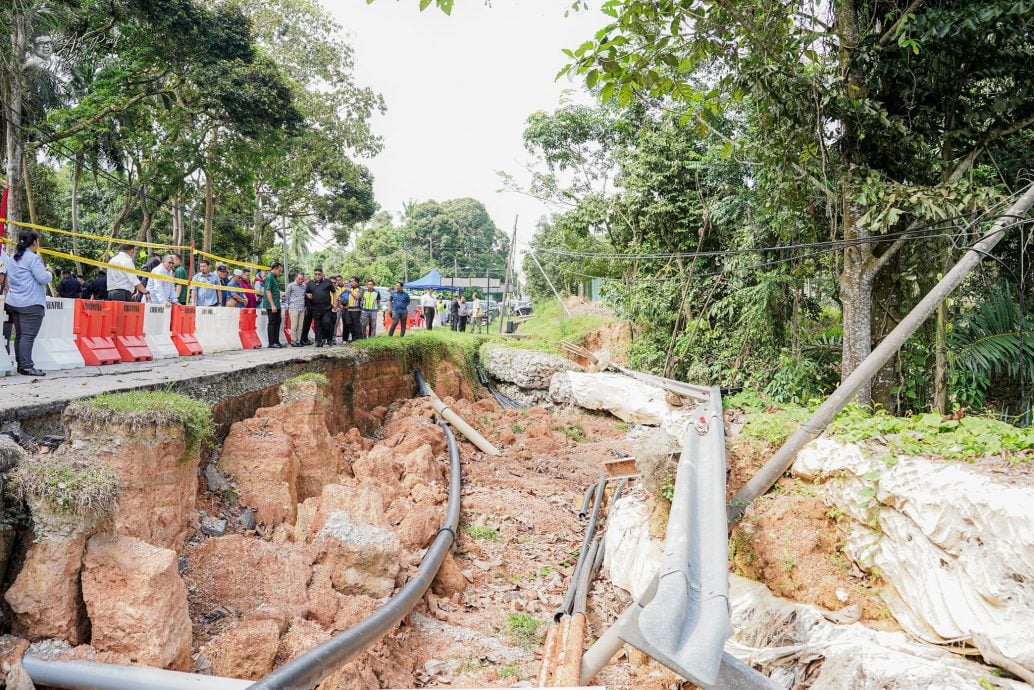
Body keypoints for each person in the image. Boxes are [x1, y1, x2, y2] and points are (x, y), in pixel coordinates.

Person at [5, 230, 53, 376]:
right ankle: (26, 366)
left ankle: (21, 365)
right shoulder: (33, 258)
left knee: (20, 334)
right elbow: (43, 278)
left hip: (13, 301)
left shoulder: (13, 257)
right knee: (27, 335)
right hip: (30, 303)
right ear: (34, 243)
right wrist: (49, 272)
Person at [305, 267, 336, 347]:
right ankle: (319, 341)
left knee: (327, 322)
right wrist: (307, 295)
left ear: (322, 274)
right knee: (317, 325)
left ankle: (329, 339)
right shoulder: (310, 283)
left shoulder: (328, 282)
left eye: (319, 274)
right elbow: (305, 293)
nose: (317, 276)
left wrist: (335, 303)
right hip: (315, 308)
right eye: (316, 274)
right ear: (314, 275)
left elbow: (334, 292)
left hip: (327, 308)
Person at [262, 262, 284, 348]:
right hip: (272, 305)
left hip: (277, 304)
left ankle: (276, 341)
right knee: (272, 322)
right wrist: (272, 305)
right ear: (274, 269)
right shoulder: (269, 277)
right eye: (279, 270)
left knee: (278, 321)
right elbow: (268, 291)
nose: (280, 272)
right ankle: (271, 343)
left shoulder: (274, 277)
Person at [285, 271, 307, 346]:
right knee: (294, 325)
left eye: (302, 279)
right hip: (293, 307)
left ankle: (298, 341)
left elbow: (304, 295)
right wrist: (288, 306)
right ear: (296, 278)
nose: (301, 280)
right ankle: (293, 341)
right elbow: (287, 296)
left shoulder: (304, 286)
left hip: (302, 308)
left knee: (300, 326)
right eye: (299, 279)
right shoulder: (291, 285)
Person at [343, 276, 363, 342]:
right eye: (350, 281)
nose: (350, 282)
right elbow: (342, 295)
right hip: (349, 309)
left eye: (352, 281)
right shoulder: (350, 288)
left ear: (356, 282)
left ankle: (358, 339)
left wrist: (350, 291)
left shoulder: (360, 289)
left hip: (356, 309)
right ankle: (354, 338)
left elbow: (357, 297)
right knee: (349, 323)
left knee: (356, 325)